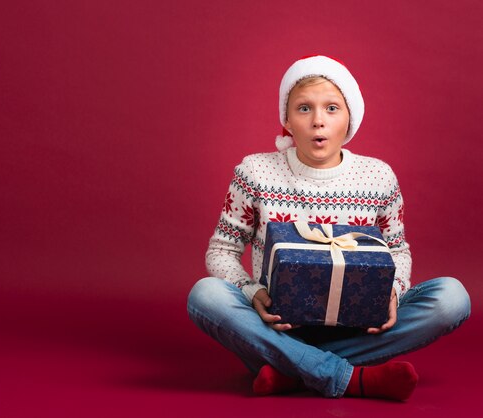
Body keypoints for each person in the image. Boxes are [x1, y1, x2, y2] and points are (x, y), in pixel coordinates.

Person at [187, 55, 471, 401]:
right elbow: (222, 250)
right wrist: (251, 292)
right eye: (304, 109)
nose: (318, 121)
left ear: (350, 118)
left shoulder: (378, 177)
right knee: (205, 295)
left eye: (332, 108)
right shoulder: (255, 173)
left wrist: (392, 292)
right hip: (275, 325)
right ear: (287, 121)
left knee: (452, 298)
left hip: (355, 326)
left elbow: (397, 249)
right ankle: (348, 377)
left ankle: (293, 370)